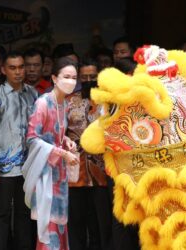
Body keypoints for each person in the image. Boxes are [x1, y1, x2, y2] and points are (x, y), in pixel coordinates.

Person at [23, 57, 80, 249]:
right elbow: (32, 138)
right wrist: (62, 153)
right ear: (54, 78)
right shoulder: (43, 103)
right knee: (48, 226)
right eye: (66, 76)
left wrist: (67, 141)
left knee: (60, 224)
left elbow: (56, 134)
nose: (70, 81)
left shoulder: (64, 104)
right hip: (46, 174)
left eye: (74, 77)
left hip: (60, 175)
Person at [0, 51, 38, 250]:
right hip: (4, 166)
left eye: (21, 67)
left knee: (25, 213)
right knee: (1, 213)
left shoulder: (33, 94)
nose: (18, 72)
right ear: (3, 70)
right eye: (13, 68)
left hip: (28, 165)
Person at [67, 59, 114, 250]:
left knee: (101, 221)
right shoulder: (69, 101)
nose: (88, 80)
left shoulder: (108, 101)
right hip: (75, 172)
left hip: (101, 172)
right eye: (84, 77)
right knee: (76, 220)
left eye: (92, 77)